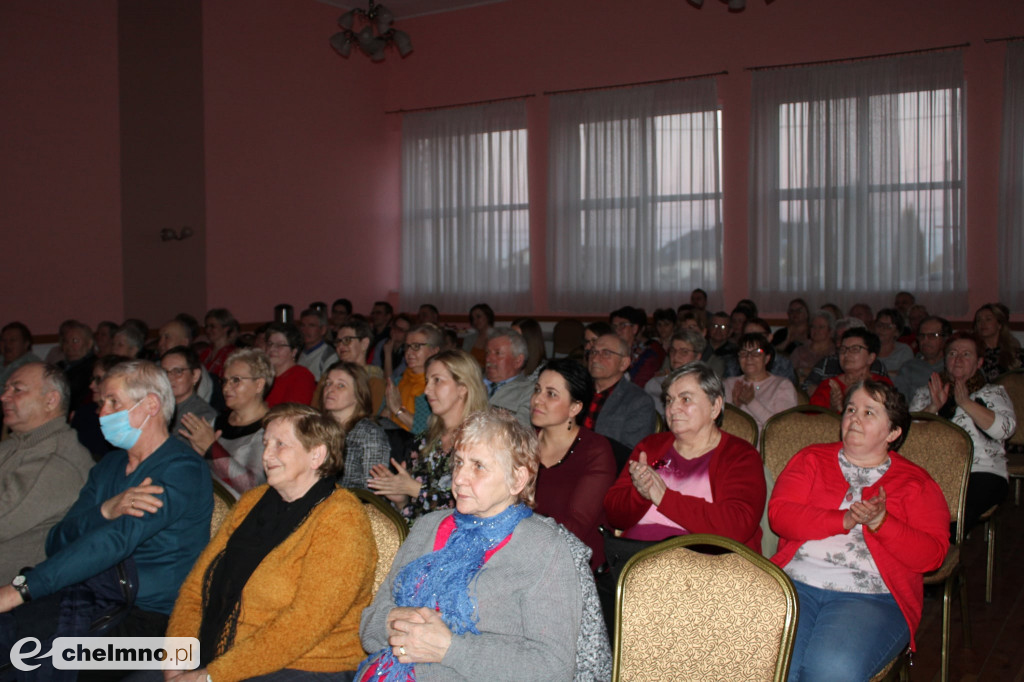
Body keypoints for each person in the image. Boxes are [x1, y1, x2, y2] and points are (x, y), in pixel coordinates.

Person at [0, 360, 213, 670]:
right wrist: (105, 510)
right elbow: (56, 540)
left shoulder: (182, 469)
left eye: (114, 402)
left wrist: (22, 589)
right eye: (102, 403)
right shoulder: (109, 467)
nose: (102, 414)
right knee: (13, 640)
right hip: (95, 600)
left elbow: (116, 541)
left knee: (31, 659)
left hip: (160, 628)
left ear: (150, 405)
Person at [358, 409, 582, 682]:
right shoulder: (429, 526)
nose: (459, 478)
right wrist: (395, 622)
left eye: (478, 466)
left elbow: (554, 668)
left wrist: (451, 648)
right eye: (459, 462)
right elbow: (369, 624)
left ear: (517, 479)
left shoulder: (544, 548)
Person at [164, 404, 377, 682]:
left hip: (310, 664)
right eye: (265, 444)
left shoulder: (342, 519)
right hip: (221, 653)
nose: (266, 455)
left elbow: (305, 624)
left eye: (280, 444)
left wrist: (210, 676)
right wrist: (177, 659)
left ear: (317, 455)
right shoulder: (252, 502)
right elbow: (196, 588)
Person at [770, 380, 949, 681]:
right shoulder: (811, 459)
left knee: (830, 670)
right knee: (772, 663)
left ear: (893, 432)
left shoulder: (916, 483)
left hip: (871, 595)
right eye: (851, 409)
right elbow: (780, 516)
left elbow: (932, 556)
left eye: (869, 412)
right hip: (794, 583)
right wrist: (843, 520)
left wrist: (882, 523)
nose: (854, 418)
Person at [603, 362, 766, 550]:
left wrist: (664, 498)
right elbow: (614, 515)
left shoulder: (740, 455)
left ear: (715, 406)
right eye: (669, 400)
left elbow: (738, 525)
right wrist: (640, 493)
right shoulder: (650, 447)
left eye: (685, 399)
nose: (673, 409)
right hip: (636, 555)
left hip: (704, 562)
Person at [910, 332, 1017, 532]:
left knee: (953, 511)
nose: (958, 359)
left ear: (979, 362)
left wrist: (966, 403)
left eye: (966, 354)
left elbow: (1006, 430)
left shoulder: (992, 393)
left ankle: (939, 545)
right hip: (932, 470)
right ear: (945, 360)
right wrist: (932, 408)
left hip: (980, 471)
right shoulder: (927, 393)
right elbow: (906, 437)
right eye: (952, 353)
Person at [369, 350, 487, 525]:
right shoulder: (424, 441)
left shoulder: (482, 442)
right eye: (427, 381)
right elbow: (412, 512)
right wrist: (400, 499)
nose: (427, 390)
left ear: (462, 388)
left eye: (437, 380)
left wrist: (415, 489)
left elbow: (474, 509)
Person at [0, 363, 93, 580]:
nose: (4, 397)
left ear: (51, 400)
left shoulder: (57, 459)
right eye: (5, 389)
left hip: (16, 592)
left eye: (17, 389)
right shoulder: (17, 444)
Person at [532, 358, 616, 570]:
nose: (537, 400)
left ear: (575, 407)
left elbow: (575, 527)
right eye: (537, 390)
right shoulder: (523, 444)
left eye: (551, 394)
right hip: (521, 550)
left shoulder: (594, 450)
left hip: (572, 563)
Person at [181, 349, 273, 493]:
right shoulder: (216, 421)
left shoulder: (270, 429)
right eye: (224, 381)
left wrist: (212, 449)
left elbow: (253, 487)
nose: (226, 387)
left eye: (235, 380)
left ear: (259, 385)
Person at [318, 361, 390, 490]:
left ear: (358, 394)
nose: (330, 389)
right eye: (328, 383)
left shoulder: (369, 434)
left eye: (341, 385)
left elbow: (372, 490)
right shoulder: (317, 428)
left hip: (353, 501)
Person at [585, 333, 657, 452]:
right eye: (593, 352)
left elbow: (632, 452)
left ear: (624, 363)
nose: (595, 359)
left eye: (606, 354)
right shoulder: (578, 390)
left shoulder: (639, 402)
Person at [724, 333, 799, 432]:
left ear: (767, 358)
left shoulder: (782, 385)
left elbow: (783, 428)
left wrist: (751, 402)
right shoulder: (729, 384)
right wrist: (735, 407)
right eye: (743, 353)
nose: (749, 357)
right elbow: (721, 425)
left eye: (756, 352)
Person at [810, 329, 892, 412]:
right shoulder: (829, 386)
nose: (846, 354)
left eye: (855, 349)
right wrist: (832, 409)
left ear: (871, 358)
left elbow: (892, 414)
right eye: (843, 349)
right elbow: (811, 417)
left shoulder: (882, 385)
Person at [384, 323, 442, 433]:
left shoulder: (438, 387)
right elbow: (381, 418)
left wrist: (397, 410)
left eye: (416, 346)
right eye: (407, 346)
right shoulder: (398, 381)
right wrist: (387, 409)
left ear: (434, 351)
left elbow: (426, 431)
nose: (409, 352)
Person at [160, 346, 217, 444]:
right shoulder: (157, 406)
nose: (169, 377)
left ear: (195, 375)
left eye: (178, 371)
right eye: (164, 372)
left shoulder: (203, 416)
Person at [644, 328, 706, 417]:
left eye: (684, 352)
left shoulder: (705, 387)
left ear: (697, 357)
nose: (676, 356)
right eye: (673, 351)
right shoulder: (654, 385)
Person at [334, 316, 387, 414]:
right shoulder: (330, 377)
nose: (340, 346)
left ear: (364, 344)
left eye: (347, 340)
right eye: (338, 341)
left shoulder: (374, 381)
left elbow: (371, 417)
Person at [484, 328, 534, 428]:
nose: (488, 359)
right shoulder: (472, 381)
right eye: (488, 353)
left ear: (518, 361)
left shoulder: (529, 392)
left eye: (497, 353)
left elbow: (520, 430)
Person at [894, 316, 950, 400]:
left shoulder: (952, 366)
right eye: (922, 336)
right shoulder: (909, 367)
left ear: (945, 339)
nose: (925, 340)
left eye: (932, 336)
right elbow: (899, 401)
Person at [264, 322, 317, 407]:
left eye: (280, 345)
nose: (272, 349)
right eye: (270, 344)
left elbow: (293, 412)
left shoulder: (302, 376)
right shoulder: (264, 374)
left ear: (294, 352)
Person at [610, 306, 665, 387]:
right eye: (614, 326)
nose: (617, 330)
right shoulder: (608, 351)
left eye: (622, 325)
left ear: (634, 329)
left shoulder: (647, 356)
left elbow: (639, 387)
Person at [974, 303, 1024, 381]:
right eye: (979, 320)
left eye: (988, 319)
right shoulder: (973, 351)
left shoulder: (1013, 351)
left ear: (999, 324)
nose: (982, 324)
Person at [790, 310, 836, 388]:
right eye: (813, 326)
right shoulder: (799, 351)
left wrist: (806, 371)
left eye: (821, 327)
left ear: (830, 331)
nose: (816, 330)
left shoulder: (835, 353)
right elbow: (789, 373)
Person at [298, 307, 338, 380]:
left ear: (323, 330)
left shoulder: (329, 356)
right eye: (303, 325)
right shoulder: (297, 353)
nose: (305, 330)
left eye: (311, 325)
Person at [200, 308, 239, 378]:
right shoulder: (205, 352)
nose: (208, 330)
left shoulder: (233, 354)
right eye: (206, 326)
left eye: (212, 326)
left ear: (226, 328)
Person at [0, 322, 41, 389]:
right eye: (3, 340)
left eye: (12, 340)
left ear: (26, 344)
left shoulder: (32, 367)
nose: (7, 344)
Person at [874, 308, 914, 376]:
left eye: (888, 326)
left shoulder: (904, 350)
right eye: (879, 325)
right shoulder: (867, 348)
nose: (882, 329)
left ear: (897, 332)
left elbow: (907, 374)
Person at [378, 313, 413, 381]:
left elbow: (391, 380)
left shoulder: (408, 351)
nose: (395, 331)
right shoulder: (382, 343)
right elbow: (375, 369)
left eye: (400, 330)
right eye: (395, 327)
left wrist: (388, 353)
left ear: (408, 334)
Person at [462, 302, 495, 368]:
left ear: (488, 316)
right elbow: (463, 360)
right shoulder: (469, 339)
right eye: (473, 318)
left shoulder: (499, 338)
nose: (475, 321)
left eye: (478, 317)